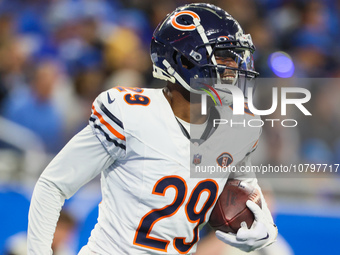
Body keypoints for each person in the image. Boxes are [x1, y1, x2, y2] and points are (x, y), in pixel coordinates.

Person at [27, 3, 277, 255]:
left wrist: (265, 226)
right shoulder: (132, 114)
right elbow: (53, 185)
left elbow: (245, 187)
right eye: (223, 57)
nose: (233, 68)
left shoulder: (237, 125)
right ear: (183, 60)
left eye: (235, 58)